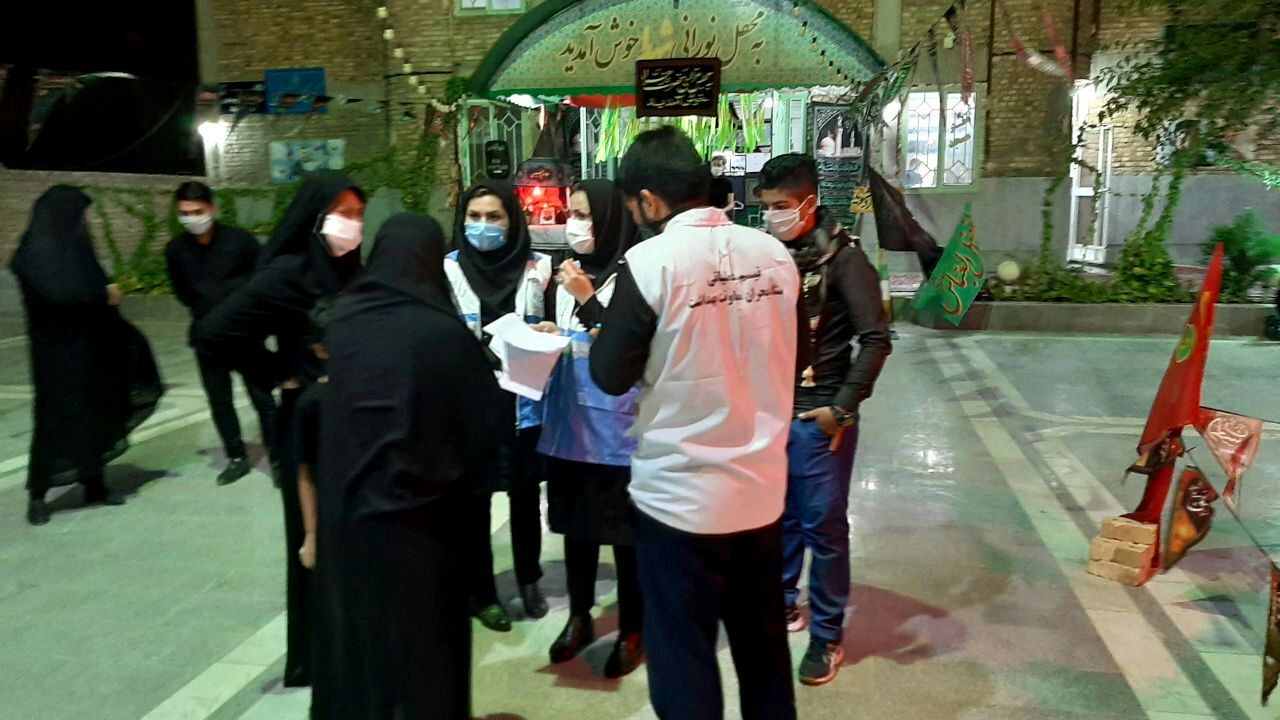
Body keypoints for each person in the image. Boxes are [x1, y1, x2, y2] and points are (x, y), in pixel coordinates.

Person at [589, 126, 801, 720]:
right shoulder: (774, 255)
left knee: (683, 652)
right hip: (761, 493)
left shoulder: (650, 262)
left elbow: (609, 375)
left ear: (647, 201)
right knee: (763, 648)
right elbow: (796, 356)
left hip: (679, 500)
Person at [313, 213, 505, 720]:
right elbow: (485, 428)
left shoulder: (344, 321)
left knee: (362, 642)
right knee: (425, 645)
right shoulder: (441, 333)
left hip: (349, 516)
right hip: (423, 523)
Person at [194, 170, 366, 687]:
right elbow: (213, 333)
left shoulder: (349, 268)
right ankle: (314, 658)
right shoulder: (288, 273)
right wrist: (274, 373)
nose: (352, 224)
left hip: (351, 421)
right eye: (343, 213)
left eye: (358, 214)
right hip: (307, 425)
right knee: (312, 543)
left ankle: (352, 645)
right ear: (315, 217)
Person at [757, 153, 892, 686]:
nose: (774, 215)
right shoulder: (770, 256)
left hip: (820, 416)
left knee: (825, 527)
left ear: (810, 202)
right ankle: (783, 601)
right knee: (780, 516)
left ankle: (827, 634)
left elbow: (875, 339)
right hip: (772, 410)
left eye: (783, 205)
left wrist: (841, 410)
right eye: (767, 206)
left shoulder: (845, 260)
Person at [540, 180, 645, 678]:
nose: (574, 224)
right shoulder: (567, 272)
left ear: (609, 217)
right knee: (576, 529)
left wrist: (586, 299)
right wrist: (550, 333)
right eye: (571, 214)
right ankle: (579, 616)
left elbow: (628, 348)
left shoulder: (635, 274)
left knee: (626, 536)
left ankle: (632, 629)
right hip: (571, 427)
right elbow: (575, 337)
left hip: (620, 430)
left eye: (584, 214)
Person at [12, 186, 161, 526]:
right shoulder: (31, 255)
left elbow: (94, 288)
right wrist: (102, 293)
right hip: (56, 356)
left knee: (95, 414)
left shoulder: (79, 251)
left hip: (90, 351)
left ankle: (94, 483)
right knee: (54, 422)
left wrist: (106, 294)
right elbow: (62, 295)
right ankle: (38, 494)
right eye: (81, 216)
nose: (85, 222)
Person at [445, 180, 552, 632]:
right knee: (474, 503)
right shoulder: (446, 269)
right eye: (474, 217)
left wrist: (549, 330)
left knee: (525, 497)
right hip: (470, 405)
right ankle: (482, 593)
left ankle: (529, 579)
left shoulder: (539, 266)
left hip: (523, 398)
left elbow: (555, 320)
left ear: (512, 221)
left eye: (494, 217)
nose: (483, 225)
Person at [165, 181, 278, 486]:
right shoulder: (176, 250)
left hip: (245, 337)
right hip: (208, 340)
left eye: (197, 211)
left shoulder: (240, 242)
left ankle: (278, 458)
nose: (191, 218)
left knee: (263, 400)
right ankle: (237, 457)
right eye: (185, 213)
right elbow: (182, 292)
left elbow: (263, 279)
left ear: (212, 209)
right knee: (220, 401)